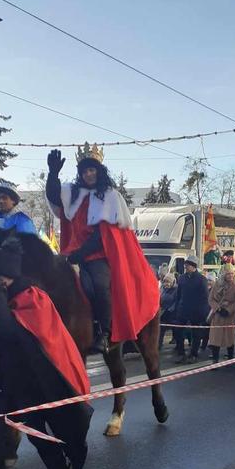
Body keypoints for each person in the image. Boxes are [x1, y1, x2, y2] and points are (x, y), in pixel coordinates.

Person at [0, 242, 92, 469]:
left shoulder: (33, 297)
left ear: (7, 276)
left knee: (37, 435)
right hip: (2, 381)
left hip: (31, 385)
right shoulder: (1, 297)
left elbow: (12, 332)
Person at [46, 144, 159, 354]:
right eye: (85, 170)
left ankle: (104, 333)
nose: (89, 174)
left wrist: (82, 253)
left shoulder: (109, 196)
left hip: (96, 254)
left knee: (100, 284)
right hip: (70, 254)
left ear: (99, 171)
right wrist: (53, 175)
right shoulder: (73, 193)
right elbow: (54, 198)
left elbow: (103, 234)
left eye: (92, 170)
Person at [174, 256, 209, 364]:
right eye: (185, 264)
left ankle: (193, 354)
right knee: (178, 331)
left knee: (196, 334)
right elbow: (178, 294)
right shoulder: (182, 278)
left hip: (196, 311)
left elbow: (204, 297)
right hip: (183, 309)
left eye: (188, 264)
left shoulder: (201, 279)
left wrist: (203, 312)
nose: (185, 266)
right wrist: (177, 307)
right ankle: (181, 353)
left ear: (193, 266)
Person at [208, 267, 235, 363]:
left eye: (232, 274)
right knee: (215, 338)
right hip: (217, 316)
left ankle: (230, 358)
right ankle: (215, 360)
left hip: (230, 316)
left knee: (230, 338)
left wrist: (228, 310)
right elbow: (211, 299)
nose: (230, 276)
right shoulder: (217, 285)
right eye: (228, 274)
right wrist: (217, 308)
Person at [158, 273, 177, 348]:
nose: (166, 284)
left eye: (168, 282)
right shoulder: (162, 288)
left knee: (175, 329)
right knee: (161, 329)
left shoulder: (176, 289)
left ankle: (176, 341)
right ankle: (158, 344)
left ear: (172, 282)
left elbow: (176, 301)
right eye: (165, 281)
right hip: (163, 311)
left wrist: (170, 309)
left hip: (172, 313)